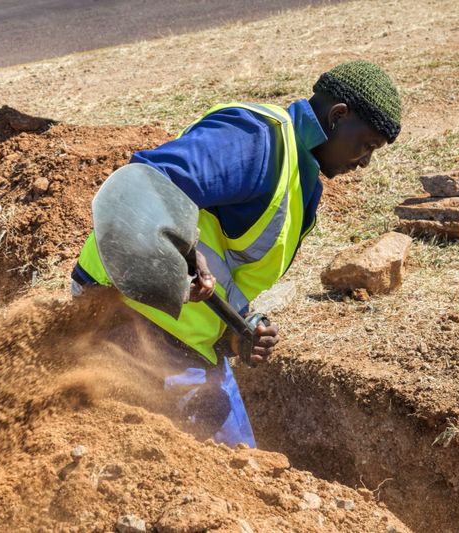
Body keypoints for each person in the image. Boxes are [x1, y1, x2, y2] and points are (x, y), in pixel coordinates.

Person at [71, 60, 401, 447]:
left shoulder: (301, 181)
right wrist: (182, 257)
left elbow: (226, 264)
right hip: (129, 318)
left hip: (187, 341)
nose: (365, 162)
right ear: (338, 116)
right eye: (366, 145)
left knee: (244, 470)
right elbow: (145, 183)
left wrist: (240, 326)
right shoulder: (257, 140)